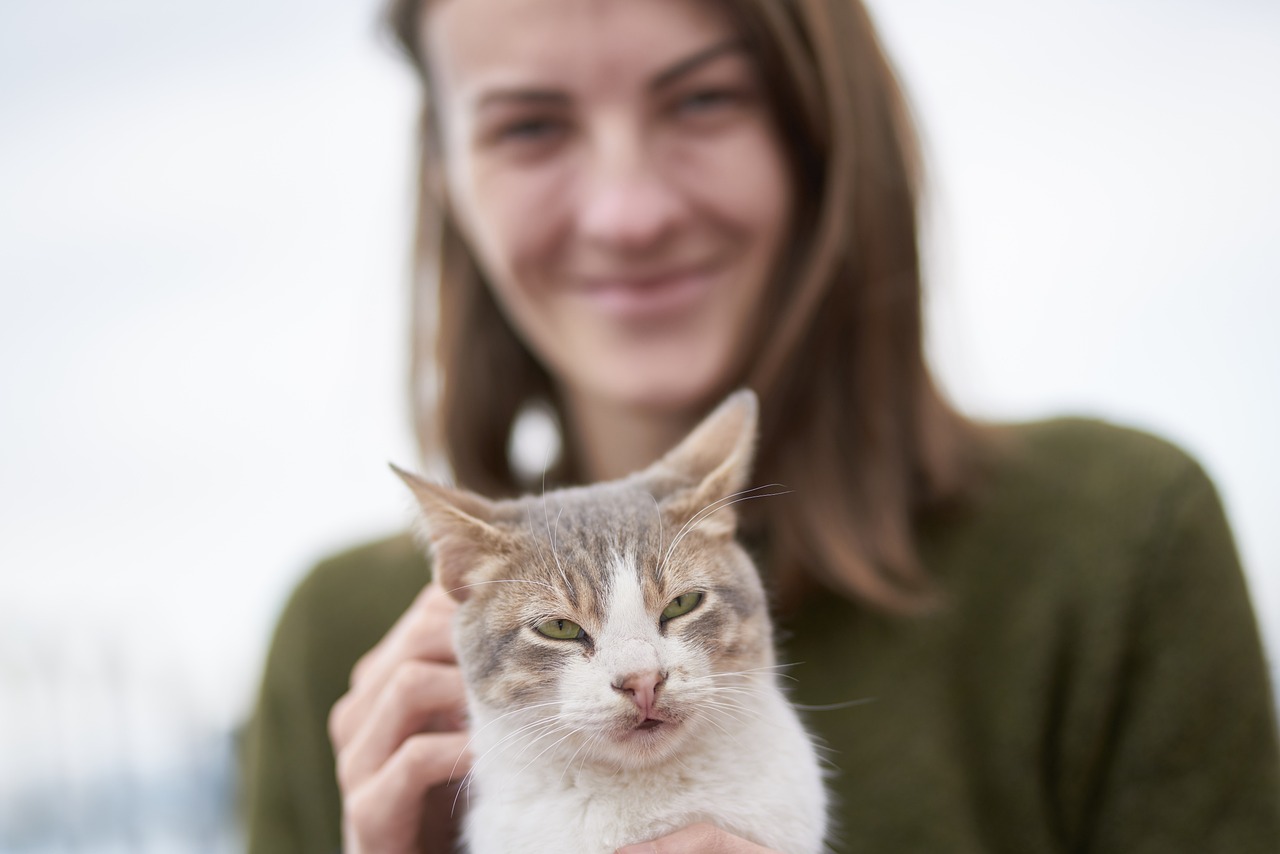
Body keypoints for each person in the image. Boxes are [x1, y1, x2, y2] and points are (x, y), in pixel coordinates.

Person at [241, 0, 1280, 851]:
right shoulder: (344, 653)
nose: (628, 211)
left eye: (701, 99)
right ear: (445, 175)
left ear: (818, 126)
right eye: (529, 125)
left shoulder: (1116, 540)